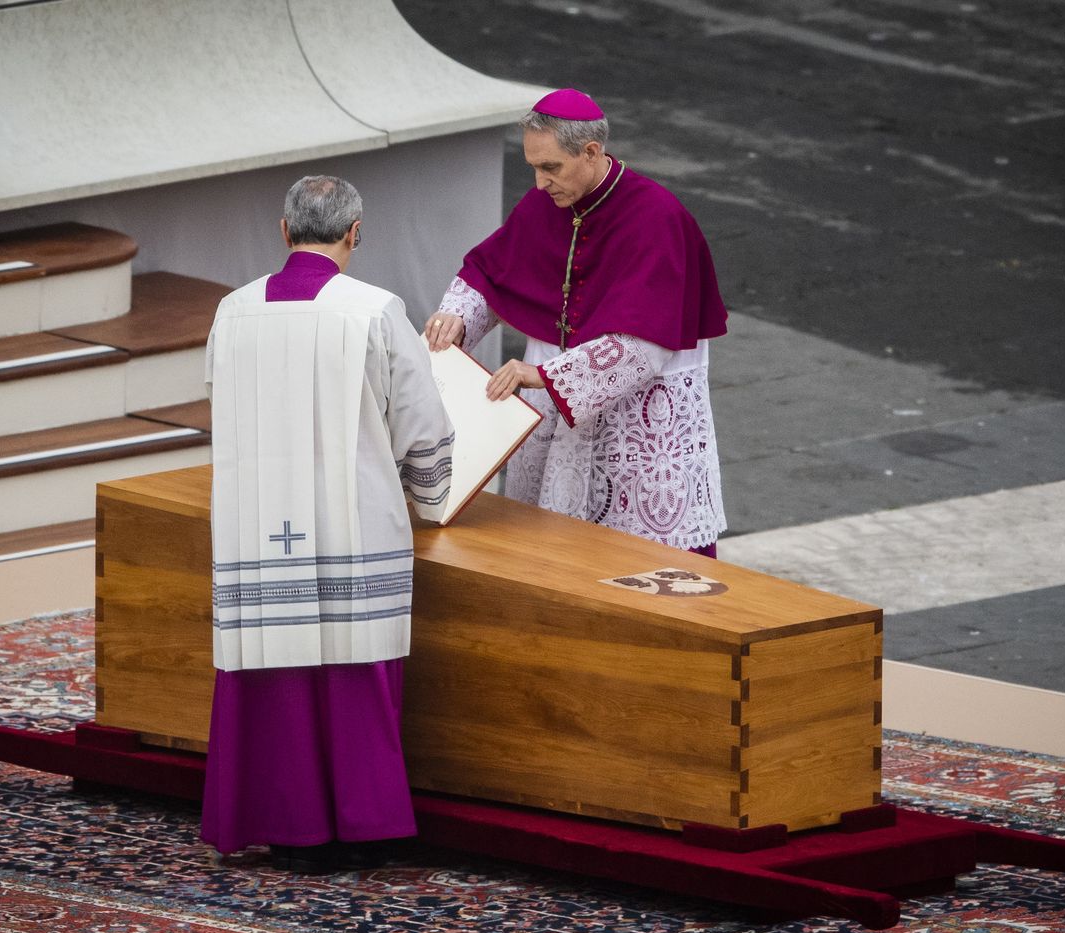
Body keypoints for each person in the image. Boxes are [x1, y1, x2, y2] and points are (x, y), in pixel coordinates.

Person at [202, 175, 455, 874]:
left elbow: (220, 403)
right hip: (355, 522)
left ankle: (286, 827)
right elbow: (422, 424)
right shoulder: (374, 311)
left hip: (258, 523)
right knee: (354, 669)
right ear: (354, 233)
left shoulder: (232, 311)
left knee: (273, 674)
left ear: (284, 232)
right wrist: (431, 499)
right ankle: (363, 828)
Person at [425, 88, 727, 556]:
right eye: (533, 168)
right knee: (548, 560)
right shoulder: (543, 205)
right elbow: (493, 274)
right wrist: (457, 319)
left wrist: (544, 375)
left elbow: (642, 346)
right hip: (557, 416)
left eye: (551, 168)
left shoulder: (657, 218)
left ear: (591, 152)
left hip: (636, 424)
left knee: (639, 565)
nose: (541, 183)